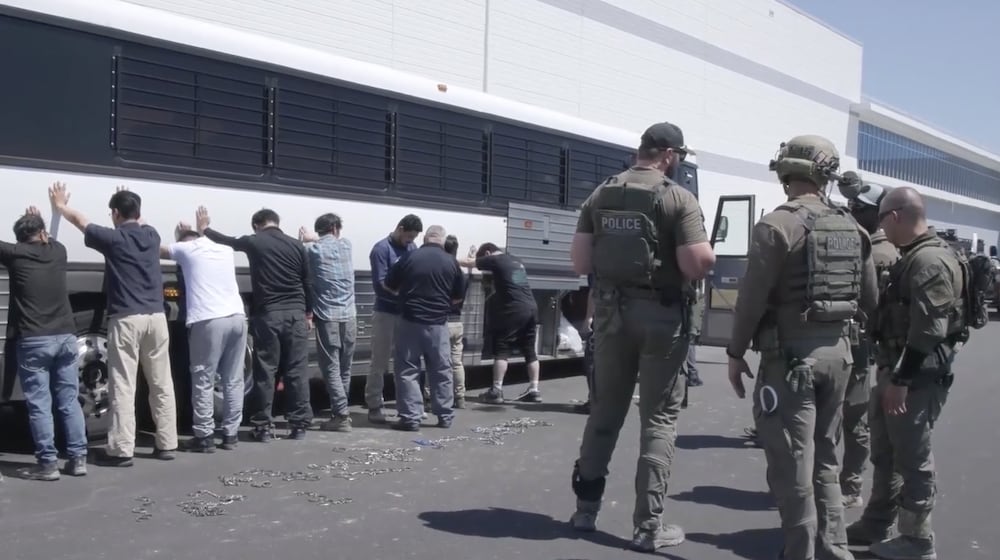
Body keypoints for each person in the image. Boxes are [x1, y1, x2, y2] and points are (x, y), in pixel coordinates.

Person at [726, 135, 877, 560]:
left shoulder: (777, 225)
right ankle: (835, 549)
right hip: (839, 356)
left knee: (792, 461)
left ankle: (799, 553)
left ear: (786, 170)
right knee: (826, 457)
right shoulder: (855, 227)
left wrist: (736, 353)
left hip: (791, 360)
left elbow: (751, 299)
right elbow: (870, 301)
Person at [567, 122, 715, 552]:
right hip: (663, 319)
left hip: (612, 314)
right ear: (668, 154)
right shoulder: (677, 197)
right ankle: (648, 526)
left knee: (604, 413)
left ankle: (584, 511)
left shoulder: (601, 194)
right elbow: (695, 264)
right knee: (659, 420)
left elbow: (579, 262)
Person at [846, 187, 966, 560]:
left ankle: (917, 540)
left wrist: (900, 380)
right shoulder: (911, 256)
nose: (880, 226)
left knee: (913, 458)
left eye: (882, 218)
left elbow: (929, 330)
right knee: (886, 450)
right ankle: (879, 520)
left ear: (895, 216)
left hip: (915, 377)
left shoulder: (929, 261)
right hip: (896, 368)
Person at [50, 183, 178, 466]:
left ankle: (122, 450)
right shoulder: (152, 235)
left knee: (123, 384)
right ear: (138, 212)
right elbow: (140, 221)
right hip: (157, 318)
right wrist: (130, 201)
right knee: (161, 382)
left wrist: (60, 206)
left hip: (127, 317)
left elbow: (81, 222)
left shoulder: (113, 239)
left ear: (116, 213)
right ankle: (167, 444)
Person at [200, 207, 313, 442]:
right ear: (277, 222)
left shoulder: (255, 242)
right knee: (297, 371)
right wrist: (309, 313)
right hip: (295, 314)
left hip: (268, 315)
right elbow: (308, 281)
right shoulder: (296, 245)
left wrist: (204, 228)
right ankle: (299, 425)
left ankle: (262, 427)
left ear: (256, 225)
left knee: (266, 371)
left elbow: (225, 241)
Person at [1, 204, 87, 480]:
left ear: (19, 237)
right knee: (68, 400)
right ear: (43, 234)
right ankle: (77, 459)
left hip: (34, 340)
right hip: (66, 337)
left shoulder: (14, 254)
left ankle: (48, 464)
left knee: (40, 403)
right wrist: (40, 216)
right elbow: (50, 237)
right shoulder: (58, 251)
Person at [836, 180, 901, 509]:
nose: (852, 212)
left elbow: (871, 306)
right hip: (847, 341)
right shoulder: (860, 245)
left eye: (859, 209)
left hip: (860, 343)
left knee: (853, 416)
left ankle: (850, 483)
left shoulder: (880, 254)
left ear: (877, 213)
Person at [160, 213, 247, 453]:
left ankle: (205, 435)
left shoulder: (187, 250)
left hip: (209, 320)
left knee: (203, 378)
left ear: (183, 242)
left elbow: (156, 250)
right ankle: (230, 434)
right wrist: (200, 229)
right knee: (233, 379)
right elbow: (200, 242)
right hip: (238, 318)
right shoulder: (224, 250)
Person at [383, 225, 466, 431]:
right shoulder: (451, 262)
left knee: (408, 370)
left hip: (409, 322)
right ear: (442, 240)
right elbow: (457, 296)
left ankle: (411, 418)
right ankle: (445, 415)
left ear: (425, 238)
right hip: (438, 324)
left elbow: (388, 285)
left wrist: (404, 295)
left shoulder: (409, 258)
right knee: (441, 370)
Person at [459, 243, 542, 404]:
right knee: (530, 350)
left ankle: (496, 390)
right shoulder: (515, 261)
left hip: (513, 309)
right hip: (531, 307)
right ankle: (534, 390)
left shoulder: (494, 260)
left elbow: (468, 263)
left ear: (488, 253)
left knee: (502, 348)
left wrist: (451, 259)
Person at [299, 213, 357, 433]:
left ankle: (341, 415)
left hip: (327, 317)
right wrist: (315, 237)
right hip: (349, 316)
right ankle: (339, 412)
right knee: (345, 368)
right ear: (335, 229)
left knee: (330, 367)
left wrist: (306, 239)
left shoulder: (312, 251)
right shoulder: (347, 246)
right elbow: (334, 240)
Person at [366, 214, 422, 424]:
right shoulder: (381, 249)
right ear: (399, 228)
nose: (410, 241)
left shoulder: (412, 248)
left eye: (413, 237)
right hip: (386, 312)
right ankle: (374, 405)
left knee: (407, 361)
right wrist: (404, 295)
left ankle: (407, 406)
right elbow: (380, 285)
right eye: (408, 236)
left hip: (405, 314)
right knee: (379, 361)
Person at [443, 234, 471, 408]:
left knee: (437, 361)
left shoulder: (443, 270)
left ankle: (431, 398)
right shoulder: (461, 273)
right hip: (457, 322)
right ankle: (460, 397)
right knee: (456, 362)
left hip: (443, 321)